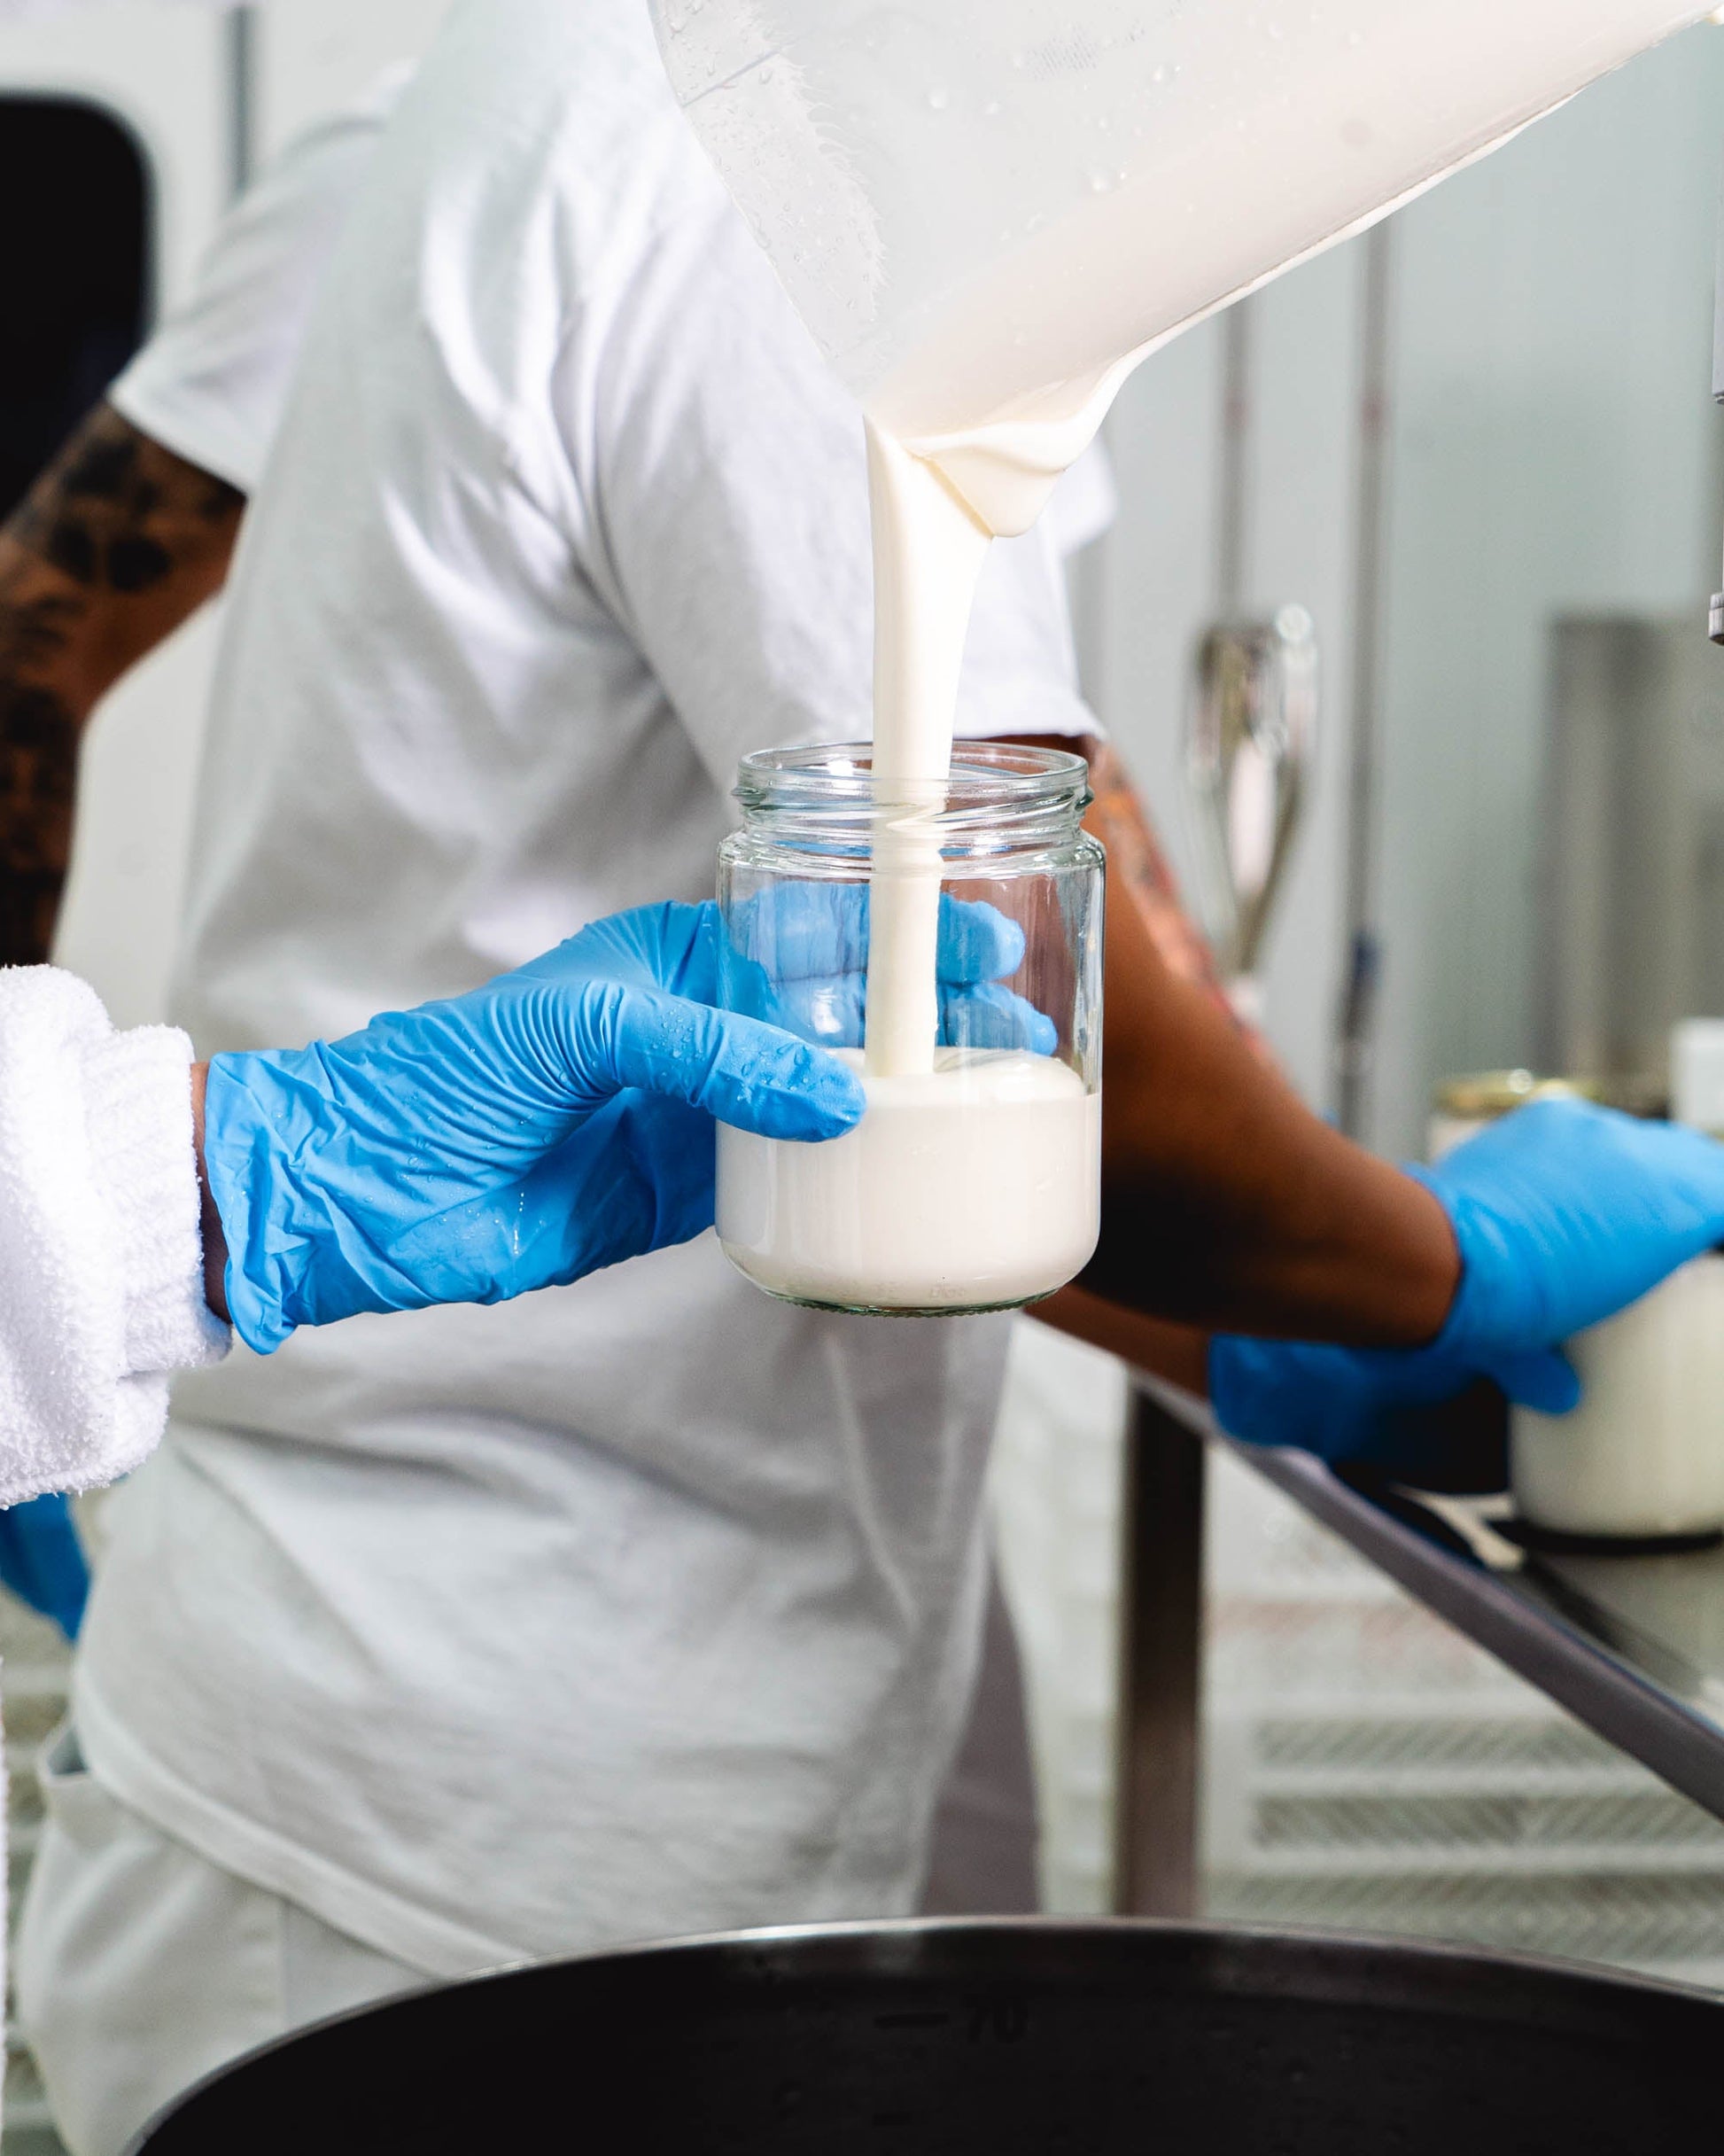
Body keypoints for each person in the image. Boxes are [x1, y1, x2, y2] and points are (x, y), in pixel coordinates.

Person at [12, 6, 1724, 2152]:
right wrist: (1421, 1262)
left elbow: (900, 1069)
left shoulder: (614, 92)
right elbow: (1009, 952)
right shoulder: (768, 159)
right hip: (485, 1772)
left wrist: (1237, 1308)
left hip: (470, 1681)